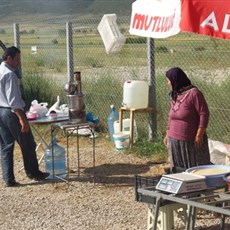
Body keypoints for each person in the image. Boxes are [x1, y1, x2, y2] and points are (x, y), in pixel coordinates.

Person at [0, 46, 49, 187]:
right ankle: (33, 173)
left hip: (1, 112)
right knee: (27, 143)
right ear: (9, 58)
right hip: (11, 113)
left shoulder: (0, 70)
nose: (18, 63)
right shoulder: (9, 74)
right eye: (17, 59)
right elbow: (14, 100)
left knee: (6, 146)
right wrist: (22, 119)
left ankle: (8, 179)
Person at [163, 67, 211, 172]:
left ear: (175, 80)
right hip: (174, 139)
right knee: (179, 169)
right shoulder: (175, 94)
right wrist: (167, 134)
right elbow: (171, 116)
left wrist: (199, 134)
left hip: (191, 140)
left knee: (195, 168)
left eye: (168, 80)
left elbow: (204, 114)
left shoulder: (194, 93)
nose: (167, 83)